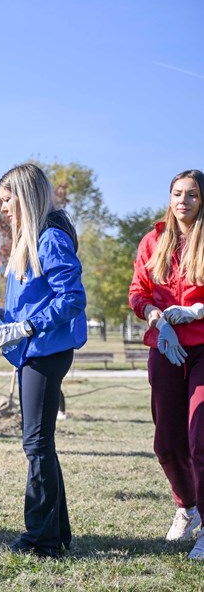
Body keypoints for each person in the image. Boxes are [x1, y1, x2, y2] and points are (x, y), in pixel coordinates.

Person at [0, 163, 87, 558]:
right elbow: (35, 299)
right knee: (40, 444)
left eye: (8, 200)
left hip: (47, 351)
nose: (3, 209)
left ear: (26, 197)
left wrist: (26, 327)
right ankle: (57, 533)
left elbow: (71, 299)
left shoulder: (51, 240)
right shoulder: (29, 241)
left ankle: (41, 540)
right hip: (35, 349)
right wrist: (2, 317)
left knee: (37, 445)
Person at [128, 169, 204, 559]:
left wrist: (196, 310)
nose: (183, 201)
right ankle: (187, 507)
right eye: (177, 193)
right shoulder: (153, 240)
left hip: (203, 346)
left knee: (200, 436)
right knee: (167, 441)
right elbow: (137, 293)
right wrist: (157, 318)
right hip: (166, 346)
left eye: (191, 195)